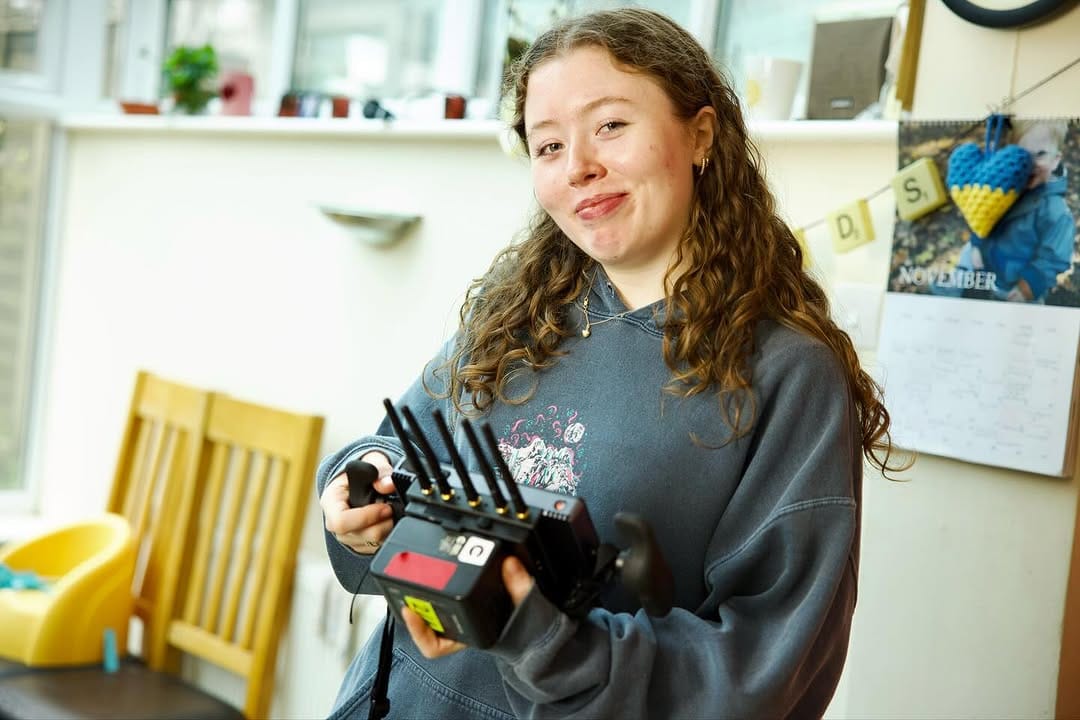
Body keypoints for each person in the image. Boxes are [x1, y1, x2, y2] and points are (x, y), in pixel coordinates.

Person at [317, 8, 900, 719]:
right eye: (549, 145)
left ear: (702, 135)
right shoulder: (512, 313)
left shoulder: (787, 377)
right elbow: (401, 446)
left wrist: (545, 643)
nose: (580, 167)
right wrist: (359, 491)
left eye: (612, 126)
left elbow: (763, 664)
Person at [935, 119, 1074, 303]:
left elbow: (1053, 258)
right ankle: (954, 287)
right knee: (968, 255)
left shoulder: (1055, 210)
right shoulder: (1004, 191)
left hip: (1018, 278)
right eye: (1021, 153)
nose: (1031, 163)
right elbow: (983, 216)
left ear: (1056, 160)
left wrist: (1027, 288)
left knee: (1026, 313)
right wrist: (977, 244)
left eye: (1040, 154)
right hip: (986, 262)